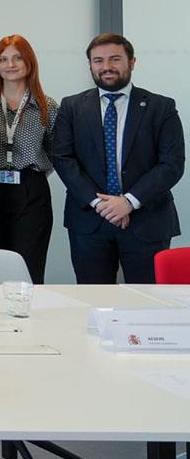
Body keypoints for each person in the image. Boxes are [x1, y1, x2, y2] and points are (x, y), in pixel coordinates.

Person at [52, 33, 184, 284]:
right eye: (98, 60)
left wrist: (129, 202)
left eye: (115, 59)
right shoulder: (72, 107)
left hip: (147, 220)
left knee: (148, 303)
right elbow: (63, 158)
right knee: (94, 300)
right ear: (90, 65)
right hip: (90, 221)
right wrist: (99, 203)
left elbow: (172, 164)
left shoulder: (161, 107)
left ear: (132, 62)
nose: (106, 67)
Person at [0, 34, 59, 284]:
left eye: (17, 57)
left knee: (29, 266)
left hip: (31, 190)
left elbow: (55, 151)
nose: (10, 64)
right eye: (3, 59)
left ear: (29, 62)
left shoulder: (46, 105)